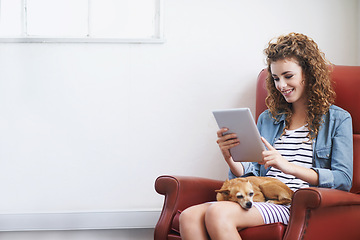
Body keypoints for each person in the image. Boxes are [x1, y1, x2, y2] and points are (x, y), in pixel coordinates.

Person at [179, 32, 353, 240]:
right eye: (276, 78)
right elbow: (251, 172)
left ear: (308, 73)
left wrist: (287, 166)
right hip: (258, 195)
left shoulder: (338, 119)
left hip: (292, 203)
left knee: (218, 213)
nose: (281, 86)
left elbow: (343, 180)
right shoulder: (268, 119)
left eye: (288, 76)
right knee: (188, 217)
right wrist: (231, 158)